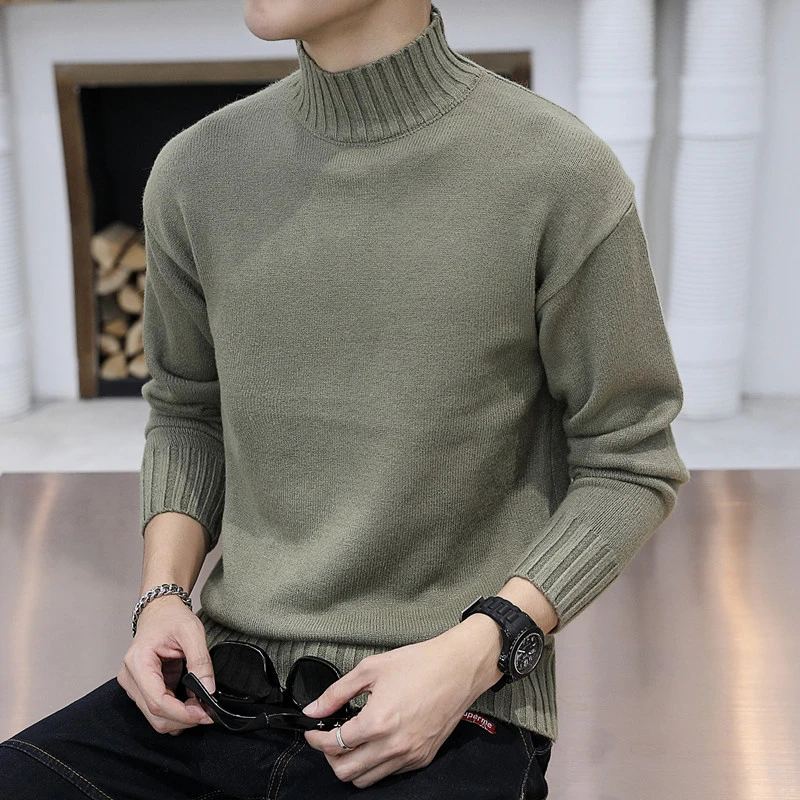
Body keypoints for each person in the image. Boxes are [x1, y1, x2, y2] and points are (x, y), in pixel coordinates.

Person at [0, 1, 691, 797]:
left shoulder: (559, 171)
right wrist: (161, 598)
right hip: (215, 694)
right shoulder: (196, 170)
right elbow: (189, 413)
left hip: (450, 708)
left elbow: (629, 460)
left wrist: (479, 651)